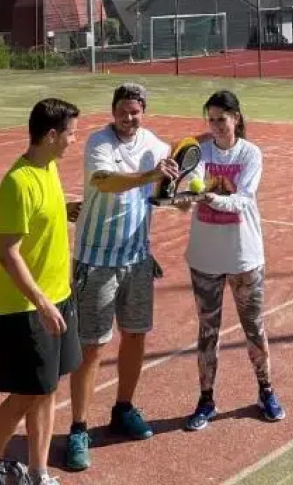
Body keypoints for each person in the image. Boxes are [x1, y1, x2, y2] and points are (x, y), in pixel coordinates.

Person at [63, 82, 181, 472]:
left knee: (135, 336)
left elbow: (172, 184)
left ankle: (123, 409)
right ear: (113, 111)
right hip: (95, 261)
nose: (129, 118)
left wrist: (181, 195)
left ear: (143, 110)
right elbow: (105, 182)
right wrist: (150, 175)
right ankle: (79, 428)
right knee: (92, 346)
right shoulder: (99, 142)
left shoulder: (155, 144)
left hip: (137, 261)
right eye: (123, 111)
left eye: (135, 111)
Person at [0, 97, 83, 485]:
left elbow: (43, 218)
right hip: (26, 308)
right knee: (26, 395)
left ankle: (39, 472)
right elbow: (8, 254)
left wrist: (67, 210)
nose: (74, 141)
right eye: (70, 134)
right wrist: (40, 302)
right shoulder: (17, 182)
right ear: (50, 135)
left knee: (48, 390)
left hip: (60, 296)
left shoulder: (49, 170)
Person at [177, 89, 284, 430]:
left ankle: (266, 391)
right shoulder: (199, 152)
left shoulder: (251, 153)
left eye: (221, 119)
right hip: (204, 258)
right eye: (210, 120)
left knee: (254, 328)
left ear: (236, 118)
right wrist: (182, 200)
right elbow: (182, 190)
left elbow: (244, 199)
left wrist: (208, 197)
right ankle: (206, 400)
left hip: (244, 257)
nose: (215, 126)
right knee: (208, 331)